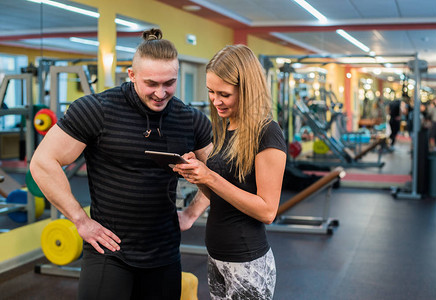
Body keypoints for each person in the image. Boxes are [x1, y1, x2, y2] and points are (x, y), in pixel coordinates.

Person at [30, 28, 212, 300]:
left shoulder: (190, 119)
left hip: (164, 253)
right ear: (132, 75)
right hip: (108, 252)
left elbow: (217, 172)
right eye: (151, 83)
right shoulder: (97, 109)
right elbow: (43, 162)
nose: (161, 93)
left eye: (169, 83)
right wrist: (80, 220)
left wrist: (192, 213)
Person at [174, 45, 287, 299]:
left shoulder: (267, 132)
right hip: (217, 256)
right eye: (211, 92)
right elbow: (221, 198)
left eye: (224, 94)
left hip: (247, 261)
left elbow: (268, 211)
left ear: (247, 89)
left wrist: (211, 176)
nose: (215, 101)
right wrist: (197, 176)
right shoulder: (227, 127)